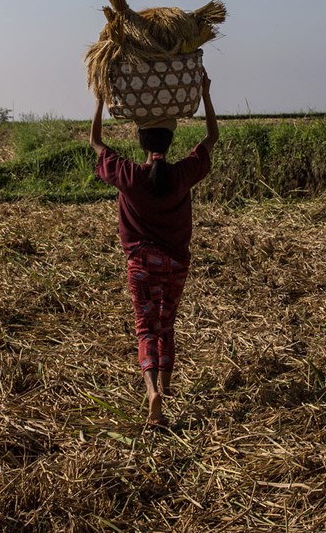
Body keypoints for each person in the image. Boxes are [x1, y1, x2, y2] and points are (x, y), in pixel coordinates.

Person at [90, 74, 219, 427]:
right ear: (170, 140)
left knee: (145, 327)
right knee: (167, 326)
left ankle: (151, 393)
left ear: (142, 142)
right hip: (176, 262)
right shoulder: (181, 175)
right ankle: (166, 386)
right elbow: (211, 138)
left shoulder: (128, 175)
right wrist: (206, 95)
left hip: (141, 262)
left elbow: (96, 141)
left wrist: (100, 99)